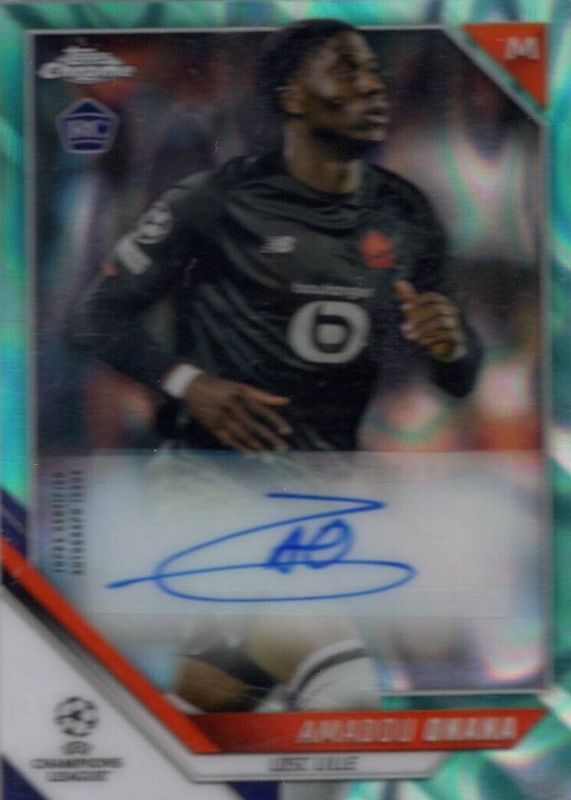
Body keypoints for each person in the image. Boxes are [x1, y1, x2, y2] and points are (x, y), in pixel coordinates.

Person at [69, 19, 481, 799]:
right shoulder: (217, 201)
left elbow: (457, 377)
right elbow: (96, 318)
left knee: (203, 718)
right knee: (343, 695)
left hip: (315, 507)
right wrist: (191, 384)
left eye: (374, 70)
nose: (371, 85)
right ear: (293, 96)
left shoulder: (404, 213)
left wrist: (450, 344)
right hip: (208, 489)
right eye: (346, 71)